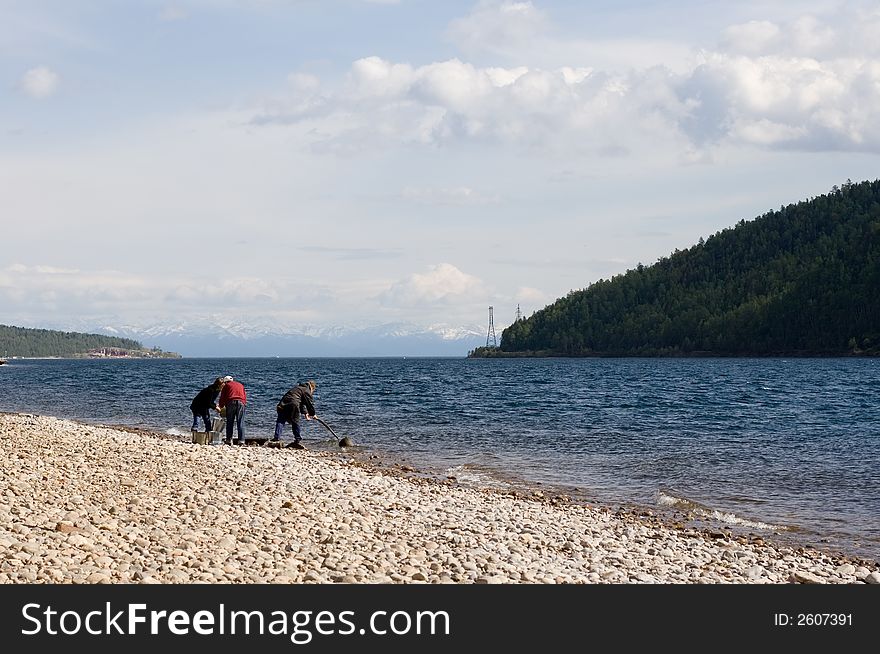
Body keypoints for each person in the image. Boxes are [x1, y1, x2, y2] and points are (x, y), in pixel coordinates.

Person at [273, 380, 317, 449]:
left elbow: (301, 402)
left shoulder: (298, 388)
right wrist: (313, 414)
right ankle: (298, 440)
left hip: (283, 403)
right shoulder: (306, 390)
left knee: (281, 420)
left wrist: (305, 413)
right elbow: (309, 404)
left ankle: (276, 438)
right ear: (312, 387)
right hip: (293, 404)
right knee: (295, 421)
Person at [217, 375, 247, 445]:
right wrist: (244, 404)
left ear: (225, 382)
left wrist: (220, 406)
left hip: (231, 402)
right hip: (241, 402)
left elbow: (223, 397)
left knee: (230, 422)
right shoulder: (240, 385)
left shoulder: (226, 386)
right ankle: (241, 441)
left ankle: (229, 440)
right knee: (241, 422)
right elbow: (244, 396)